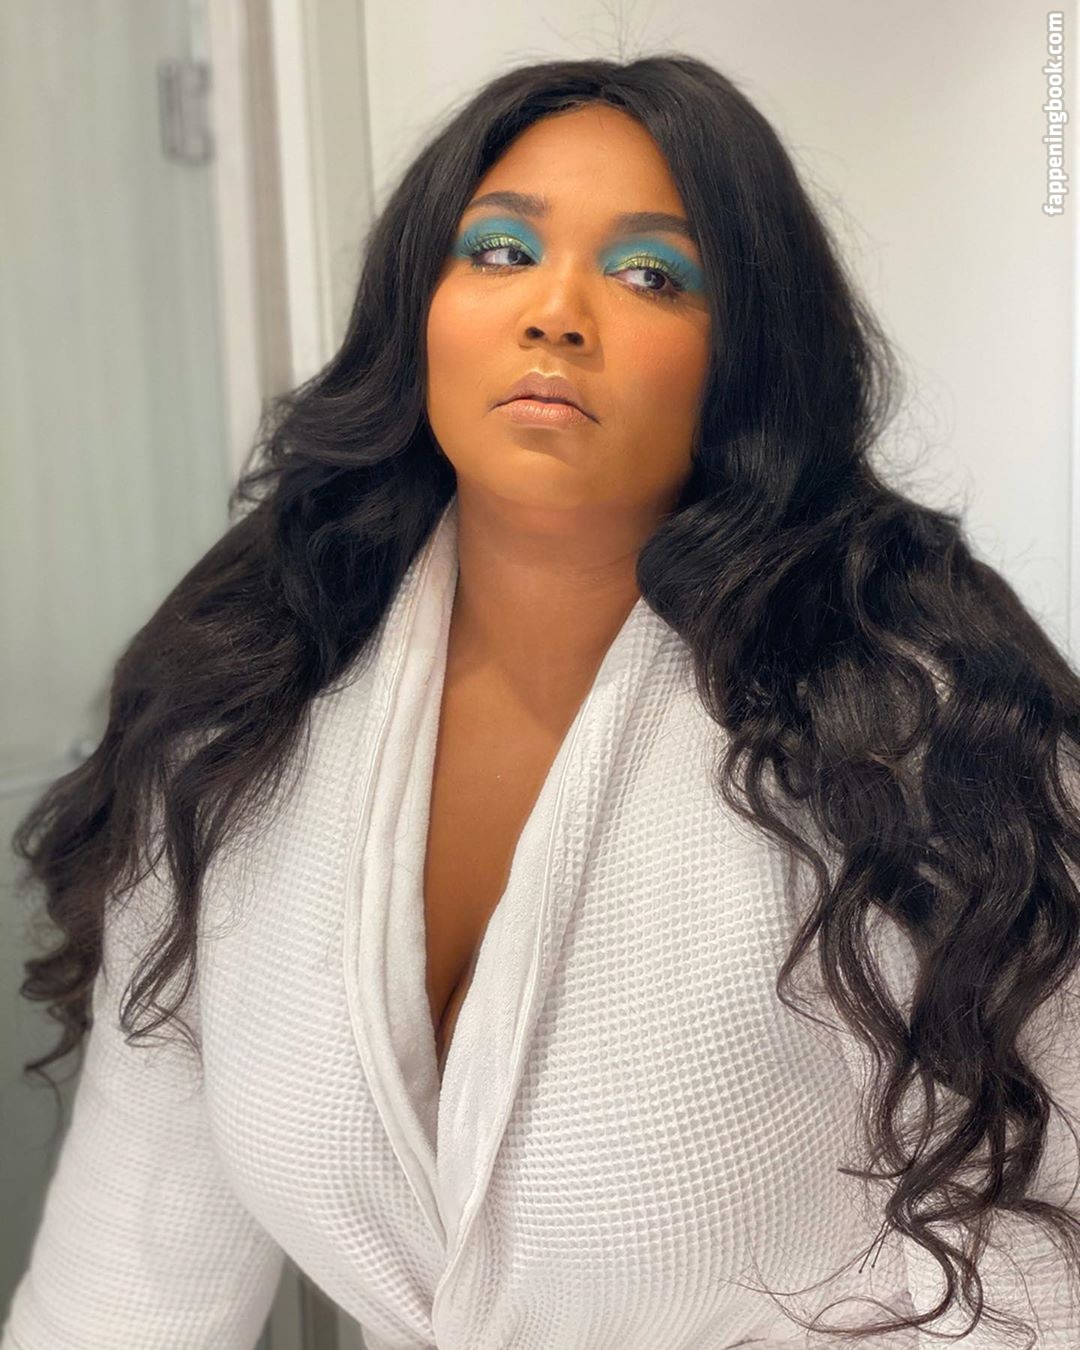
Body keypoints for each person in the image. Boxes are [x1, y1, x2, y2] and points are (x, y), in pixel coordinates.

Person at [4, 54, 1080, 1349]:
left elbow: (1046, 1285)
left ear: (746, 356)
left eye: (652, 275)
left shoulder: (929, 738)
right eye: (501, 251)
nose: (557, 312)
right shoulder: (238, 707)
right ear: (420, 310)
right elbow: (127, 1285)